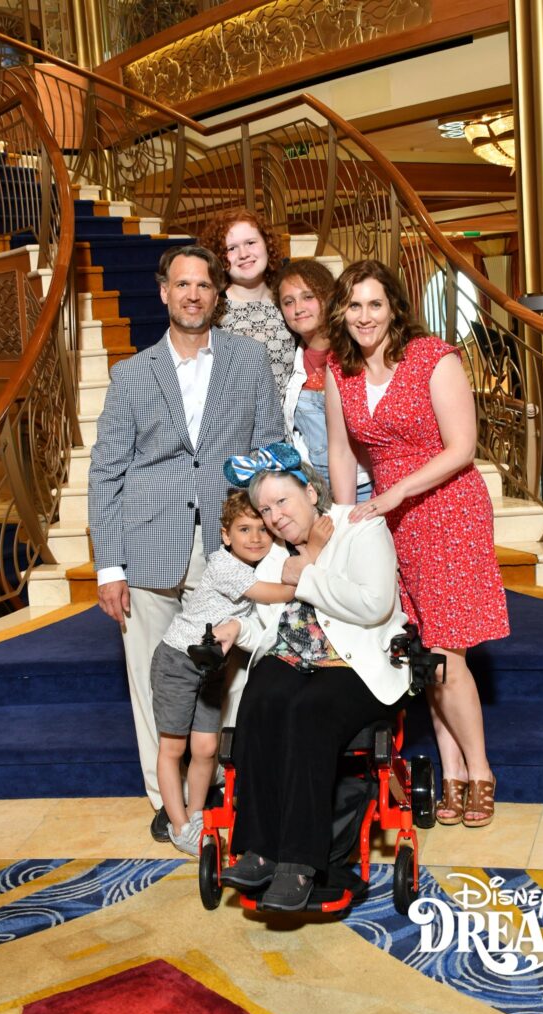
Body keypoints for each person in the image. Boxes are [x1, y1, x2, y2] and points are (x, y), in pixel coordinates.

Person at [88, 244, 284, 842]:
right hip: (149, 548)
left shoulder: (249, 363)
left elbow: (273, 449)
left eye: (204, 284)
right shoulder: (131, 374)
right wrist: (108, 567)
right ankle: (163, 796)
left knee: (240, 666)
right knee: (154, 678)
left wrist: (274, 539)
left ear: (216, 294)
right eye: (182, 284)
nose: (193, 294)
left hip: (229, 546)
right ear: (164, 292)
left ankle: (228, 784)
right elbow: (106, 472)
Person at [325, 259, 509, 829]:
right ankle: (449, 771)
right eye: (353, 306)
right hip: (387, 520)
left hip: (446, 508)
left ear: (394, 308)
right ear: (341, 312)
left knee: (447, 650)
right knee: (421, 649)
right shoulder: (338, 369)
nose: (364, 316)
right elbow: (340, 452)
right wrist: (344, 523)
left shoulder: (433, 356)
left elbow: (461, 447)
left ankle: (479, 770)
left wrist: (395, 493)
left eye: (374, 304)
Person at [214, 444, 411, 912]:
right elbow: (266, 624)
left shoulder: (361, 527)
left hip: (354, 664)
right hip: (292, 658)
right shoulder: (273, 555)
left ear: (310, 491)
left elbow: (373, 605)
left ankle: (301, 863)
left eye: (283, 502)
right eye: (265, 509)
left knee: (308, 710)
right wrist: (236, 628)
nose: (275, 516)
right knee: (259, 696)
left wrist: (307, 573)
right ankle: (259, 850)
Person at [150, 491, 295, 856]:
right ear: (225, 535)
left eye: (263, 529)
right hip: (178, 661)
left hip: (211, 664)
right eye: (244, 529)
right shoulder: (224, 565)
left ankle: (196, 815)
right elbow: (270, 595)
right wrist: (312, 582)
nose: (256, 538)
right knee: (173, 748)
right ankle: (179, 824)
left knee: (207, 747)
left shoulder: (259, 564)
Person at [274, 258, 372, 499]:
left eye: (308, 297)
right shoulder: (288, 362)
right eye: (289, 302)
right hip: (316, 493)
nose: (298, 308)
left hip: (366, 487)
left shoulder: (359, 353)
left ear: (329, 297)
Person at [199, 208, 295, 402]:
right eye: (231, 248)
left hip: (288, 425)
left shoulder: (289, 302)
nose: (243, 254)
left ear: (267, 245)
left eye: (251, 243)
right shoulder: (212, 311)